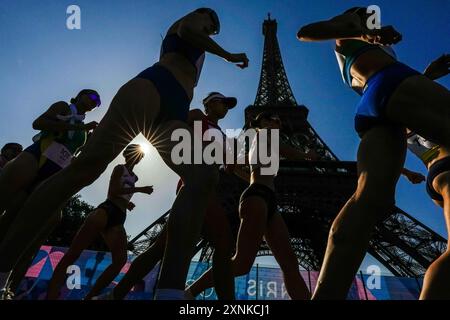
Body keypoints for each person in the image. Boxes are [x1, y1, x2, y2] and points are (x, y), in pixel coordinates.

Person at [0, 8, 248, 300]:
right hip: (153, 86)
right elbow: (189, 32)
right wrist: (228, 54)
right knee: (86, 169)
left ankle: (169, 291)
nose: (212, 26)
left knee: (202, 174)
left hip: (176, 109)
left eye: (215, 27)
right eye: (211, 21)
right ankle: (3, 265)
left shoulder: (201, 50)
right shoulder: (191, 23)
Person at [297, 7, 450, 299]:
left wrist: (429, 74)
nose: (373, 14)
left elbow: (399, 96)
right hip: (390, 82)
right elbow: (306, 31)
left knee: (371, 201)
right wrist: (362, 30)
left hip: (375, 102)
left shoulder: (367, 40)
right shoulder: (352, 22)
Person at [96, 92, 239, 300]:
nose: (226, 107)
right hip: (196, 181)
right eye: (224, 102)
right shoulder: (199, 116)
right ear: (210, 103)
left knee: (159, 248)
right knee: (224, 241)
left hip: (210, 185)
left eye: (229, 104)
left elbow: (229, 166)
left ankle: (115, 295)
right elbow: (173, 132)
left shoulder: (221, 133)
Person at [186, 112, 313, 300]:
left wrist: (234, 166)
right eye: (270, 120)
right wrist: (306, 155)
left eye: (277, 121)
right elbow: (285, 150)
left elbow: (236, 165)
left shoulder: (258, 146)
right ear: (260, 124)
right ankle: (190, 292)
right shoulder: (265, 136)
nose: (275, 122)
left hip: (265, 198)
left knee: (289, 263)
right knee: (241, 264)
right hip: (258, 197)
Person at [0, 90, 100, 299]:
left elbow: (72, 153)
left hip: (55, 170)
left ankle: (6, 279)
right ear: (80, 95)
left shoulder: (83, 129)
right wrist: (75, 126)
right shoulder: (65, 107)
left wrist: (88, 142)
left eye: (98, 102)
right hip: (37, 156)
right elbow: (38, 123)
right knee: (5, 200)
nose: (94, 103)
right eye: (91, 98)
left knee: (26, 219)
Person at [46, 144, 153, 300]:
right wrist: (139, 190)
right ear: (127, 154)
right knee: (74, 253)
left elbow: (121, 193)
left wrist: (127, 203)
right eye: (136, 154)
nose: (138, 158)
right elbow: (113, 191)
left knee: (120, 260)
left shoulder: (134, 177)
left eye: (140, 156)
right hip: (106, 211)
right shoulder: (119, 169)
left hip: (119, 216)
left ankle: (90, 296)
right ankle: (51, 295)